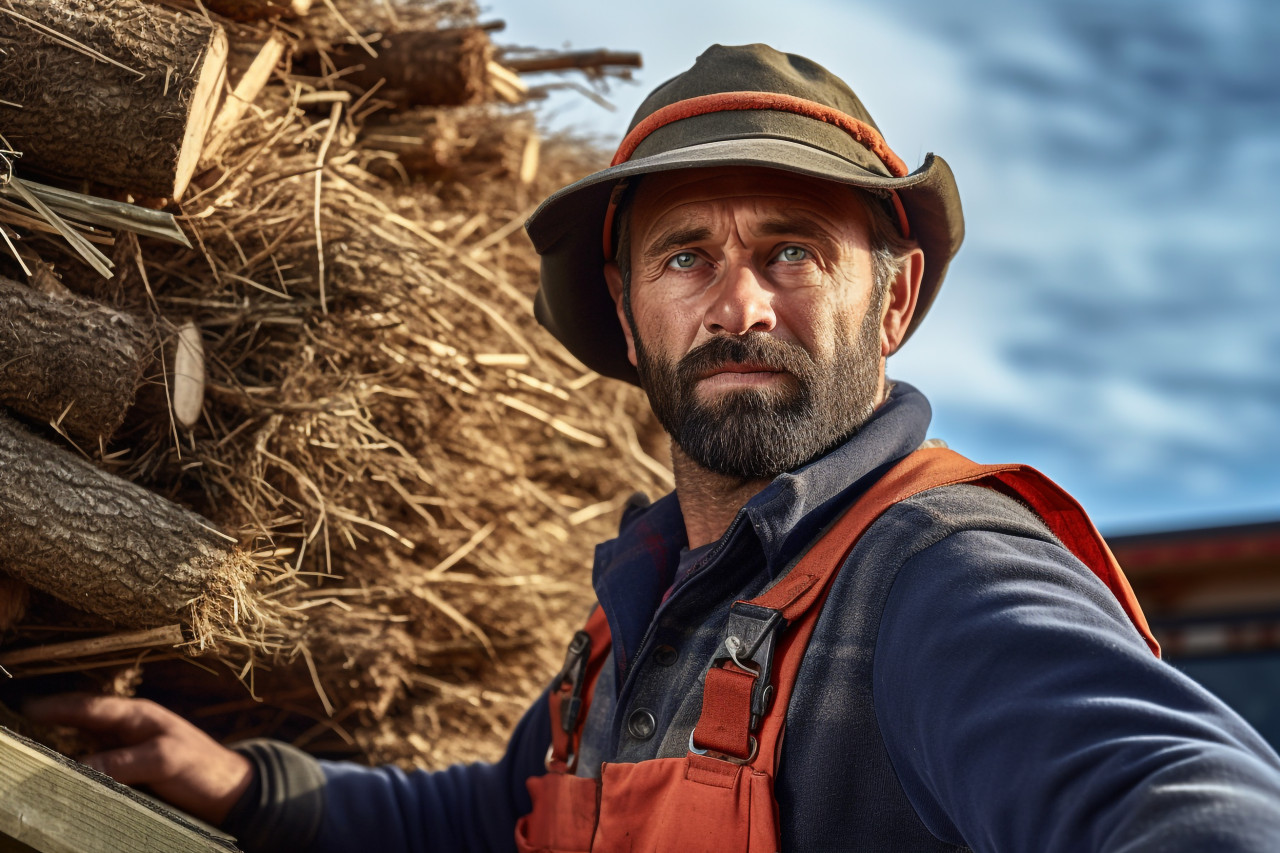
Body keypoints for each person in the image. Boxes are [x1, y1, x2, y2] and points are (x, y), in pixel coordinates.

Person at [26, 43, 1280, 852]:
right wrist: (251, 786)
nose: (737, 304)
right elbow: (496, 818)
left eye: (792, 250)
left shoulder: (934, 576)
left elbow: (1197, 813)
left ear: (888, 305)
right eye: (687, 256)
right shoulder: (645, 613)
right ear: (629, 312)